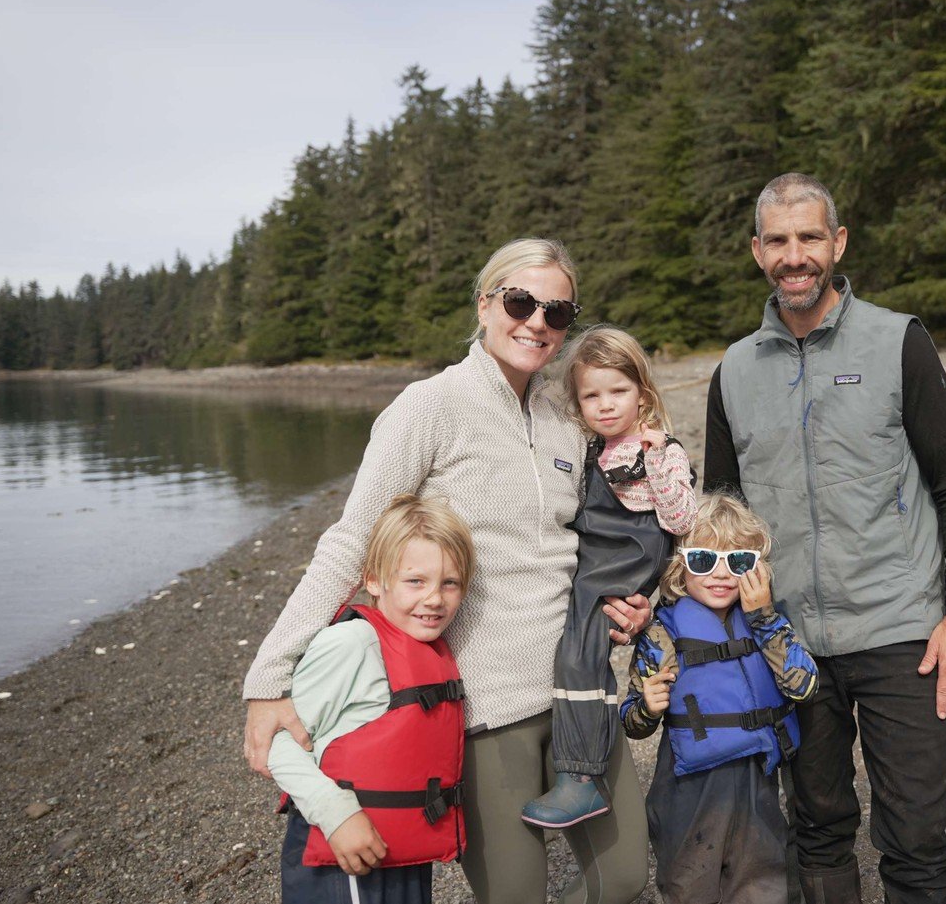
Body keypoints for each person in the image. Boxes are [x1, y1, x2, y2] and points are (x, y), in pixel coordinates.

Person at [242, 238, 653, 904]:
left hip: (580, 691)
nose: (537, 322)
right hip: (485, 708)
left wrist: (630, 602)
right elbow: (353, 539)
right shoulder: (428, 406)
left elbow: (590, 542)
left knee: (625, 874)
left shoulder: (563, 417)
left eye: (557, 311)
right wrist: (267, 676)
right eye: (520, 301)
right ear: (486, 303)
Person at [703, 173, 946, 904]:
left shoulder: (899, 341)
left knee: (915, 833)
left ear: (837, 242)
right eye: (777, 240)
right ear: (756, 250)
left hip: (901, 630)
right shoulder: (733, 370)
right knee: (818, 825)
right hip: (788, 638)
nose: (793, 256)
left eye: (807, 238)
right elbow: (722, 513)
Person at [521, 326, 696, 829]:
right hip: (594, 557)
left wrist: (659, 454)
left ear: (642, 391)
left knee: (580, 650)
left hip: (627, 560)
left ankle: (580, 775)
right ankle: (573, 760)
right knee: (574, 645)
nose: (605, 404)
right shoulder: (591, 447)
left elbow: (682, 521)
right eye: (590, 395)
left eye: (617, 391)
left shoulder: (658, 448)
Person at [271, 494, 472, 904]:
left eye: (449, 583)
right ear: (375, 580)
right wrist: (337, 815)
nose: (434, 598)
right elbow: (279, 741)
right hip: (343, 851)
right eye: (415, 581)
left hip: (402, 852)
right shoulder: (352, 644)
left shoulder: (428, 645)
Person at [620, 493, 818, 904]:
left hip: (757, 776)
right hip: (690, 784)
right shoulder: (662, 634)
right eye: (704, 560)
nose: (721, 574)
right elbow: (631, 722)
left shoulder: (767, 622)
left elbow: (804, 686)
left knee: (763, 881)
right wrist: (647, 708)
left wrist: (763, 616)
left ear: (756, 568)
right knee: (688, 883)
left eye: (738, 561)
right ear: (680, 567)